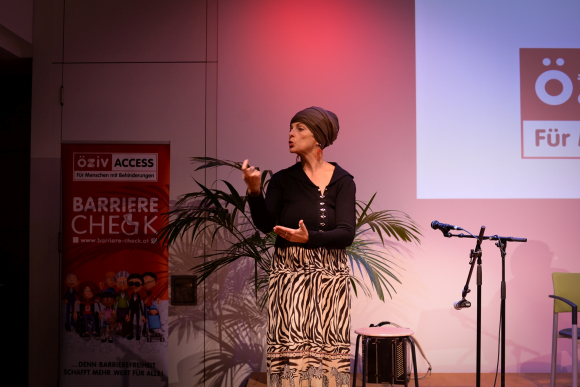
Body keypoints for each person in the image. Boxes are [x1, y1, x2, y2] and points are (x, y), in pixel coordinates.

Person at [242, 107, 355, 387]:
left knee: (328, 349)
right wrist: (255, 191)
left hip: (330, 277)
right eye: (291, 128)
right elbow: (266, 223)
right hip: (289, 274)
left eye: (300, 128)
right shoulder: (282, 179)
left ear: (319, 137)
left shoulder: (343, 181)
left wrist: (309, 238)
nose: (291, 134)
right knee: (291, 349)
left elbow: (346, 233)